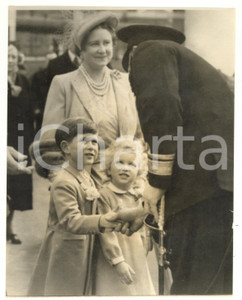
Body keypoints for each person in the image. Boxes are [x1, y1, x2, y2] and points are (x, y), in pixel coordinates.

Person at [117, 25, 233, 295]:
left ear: (132, 54)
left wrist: (156, 181)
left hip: (202, 199)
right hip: (218, 193)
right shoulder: (190, 66)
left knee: (193, 289)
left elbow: (161, 110)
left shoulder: (149, 51)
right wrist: (145, 209)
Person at [34, 11, 142, 187]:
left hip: (123, 189)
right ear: (81, 50)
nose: (102, 50)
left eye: (106, 43)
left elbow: (139, 137)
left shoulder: (125, 82)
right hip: (80, 188)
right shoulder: (63, 83)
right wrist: (63, 185)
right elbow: (49, 143)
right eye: (94, 44)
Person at [27, 117, 120, 296]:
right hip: (65, 251)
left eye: (95, 142)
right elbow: (71, 221)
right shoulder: (63, 181)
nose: (92, 146)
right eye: (85, 141)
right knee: (63, 291)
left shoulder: (87, 177)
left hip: (84, 249)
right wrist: (102, 220)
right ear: (65, 147)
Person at [95, 138, 155, 296]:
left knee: (138, 288)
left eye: (131, 164)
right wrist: (118, 261)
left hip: (137, 253)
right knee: (116, 289)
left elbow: (144, 226)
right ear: (108, 168)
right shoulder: (104, 195)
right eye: (120, 162)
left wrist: (145, 244)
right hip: (115, 254)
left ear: (139, 171)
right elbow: (105, 233)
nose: (125, 169)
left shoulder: (139, 196)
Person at [7, 43, 34, 244]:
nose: (10, 61)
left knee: (15, 187)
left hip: (19, 139)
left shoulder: (23, 80)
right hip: (4, 138)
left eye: (13, 57)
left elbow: (31, 108)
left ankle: (9, 227)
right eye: (6, 56)